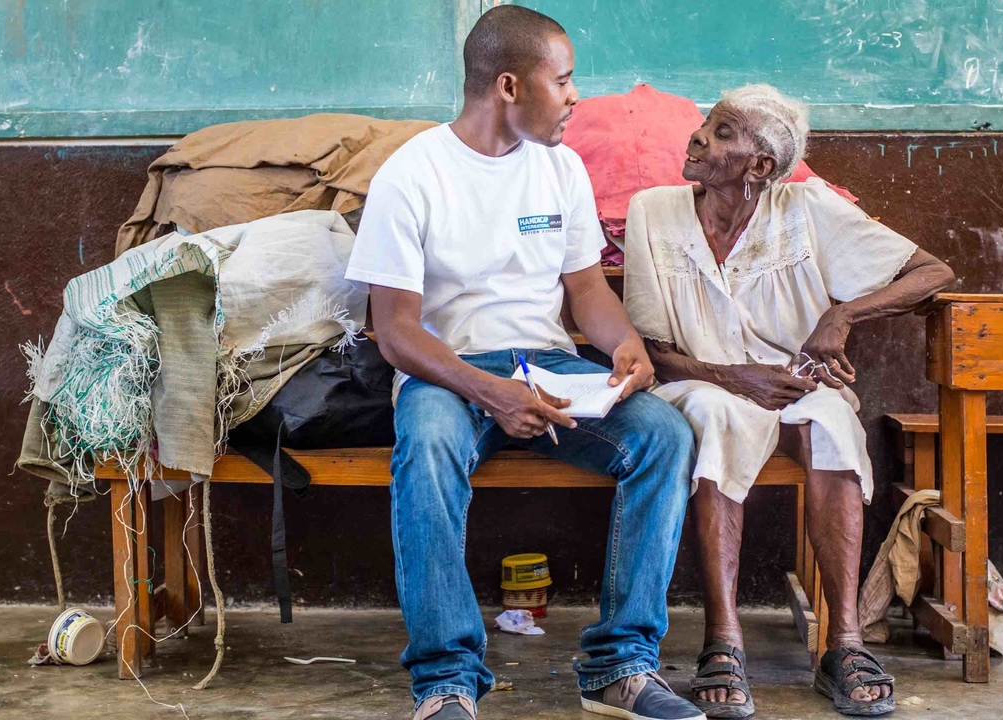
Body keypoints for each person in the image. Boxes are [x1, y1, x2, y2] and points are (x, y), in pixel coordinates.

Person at [347, 7, 704, 720]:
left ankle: (620, 668)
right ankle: (446, 680)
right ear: (508, 86)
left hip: (546, 367)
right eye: (563, 80)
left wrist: (625, 343)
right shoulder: (412, 174)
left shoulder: (560, 167)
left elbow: (586, 291)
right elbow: (397, 332)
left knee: (664, 436)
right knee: (429, 443)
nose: (575, 96)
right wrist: (491, 393)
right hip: (447, 371)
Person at [622, 84, 956, 718]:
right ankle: (723, 639)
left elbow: (933, 273)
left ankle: (845, 643)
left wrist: (842, 314)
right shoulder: (653, 212)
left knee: (830, 419)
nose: (699, 136)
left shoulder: (808, 209)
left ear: (760, 166)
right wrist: (732, 377)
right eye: (706, 124)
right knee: (713, 417)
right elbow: (656, 350)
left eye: (722, 132)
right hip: (700, 379)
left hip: (794, 380)